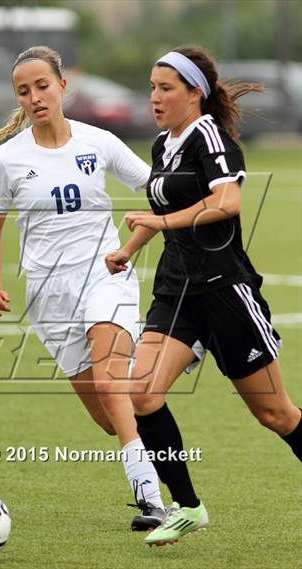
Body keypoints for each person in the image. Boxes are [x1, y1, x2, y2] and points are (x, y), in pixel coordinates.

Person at [106, 45, 302, 547]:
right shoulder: (162, 145)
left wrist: (159, 220)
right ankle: (188, 507)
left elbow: (227, 201)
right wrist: (128, 249)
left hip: (225, 292)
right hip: (177, 292)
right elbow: (159, 208)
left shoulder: (209, 136)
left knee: (276, 415)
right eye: (152, 87)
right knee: (143, 393)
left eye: (166, 88)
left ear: (196, 94)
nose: (155, 96)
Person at [0, 45, 168, 531]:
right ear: (18, 100)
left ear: (63, 86)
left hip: (105, 276)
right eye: (24, 91)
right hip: (48, 296)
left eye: (43, 86)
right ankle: (169, 360)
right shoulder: (9, 159)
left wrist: (138, 238)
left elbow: (159, 191)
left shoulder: (99, 142)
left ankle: (151, 497)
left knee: (110, 383)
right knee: (111, 416)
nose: (35, 97)